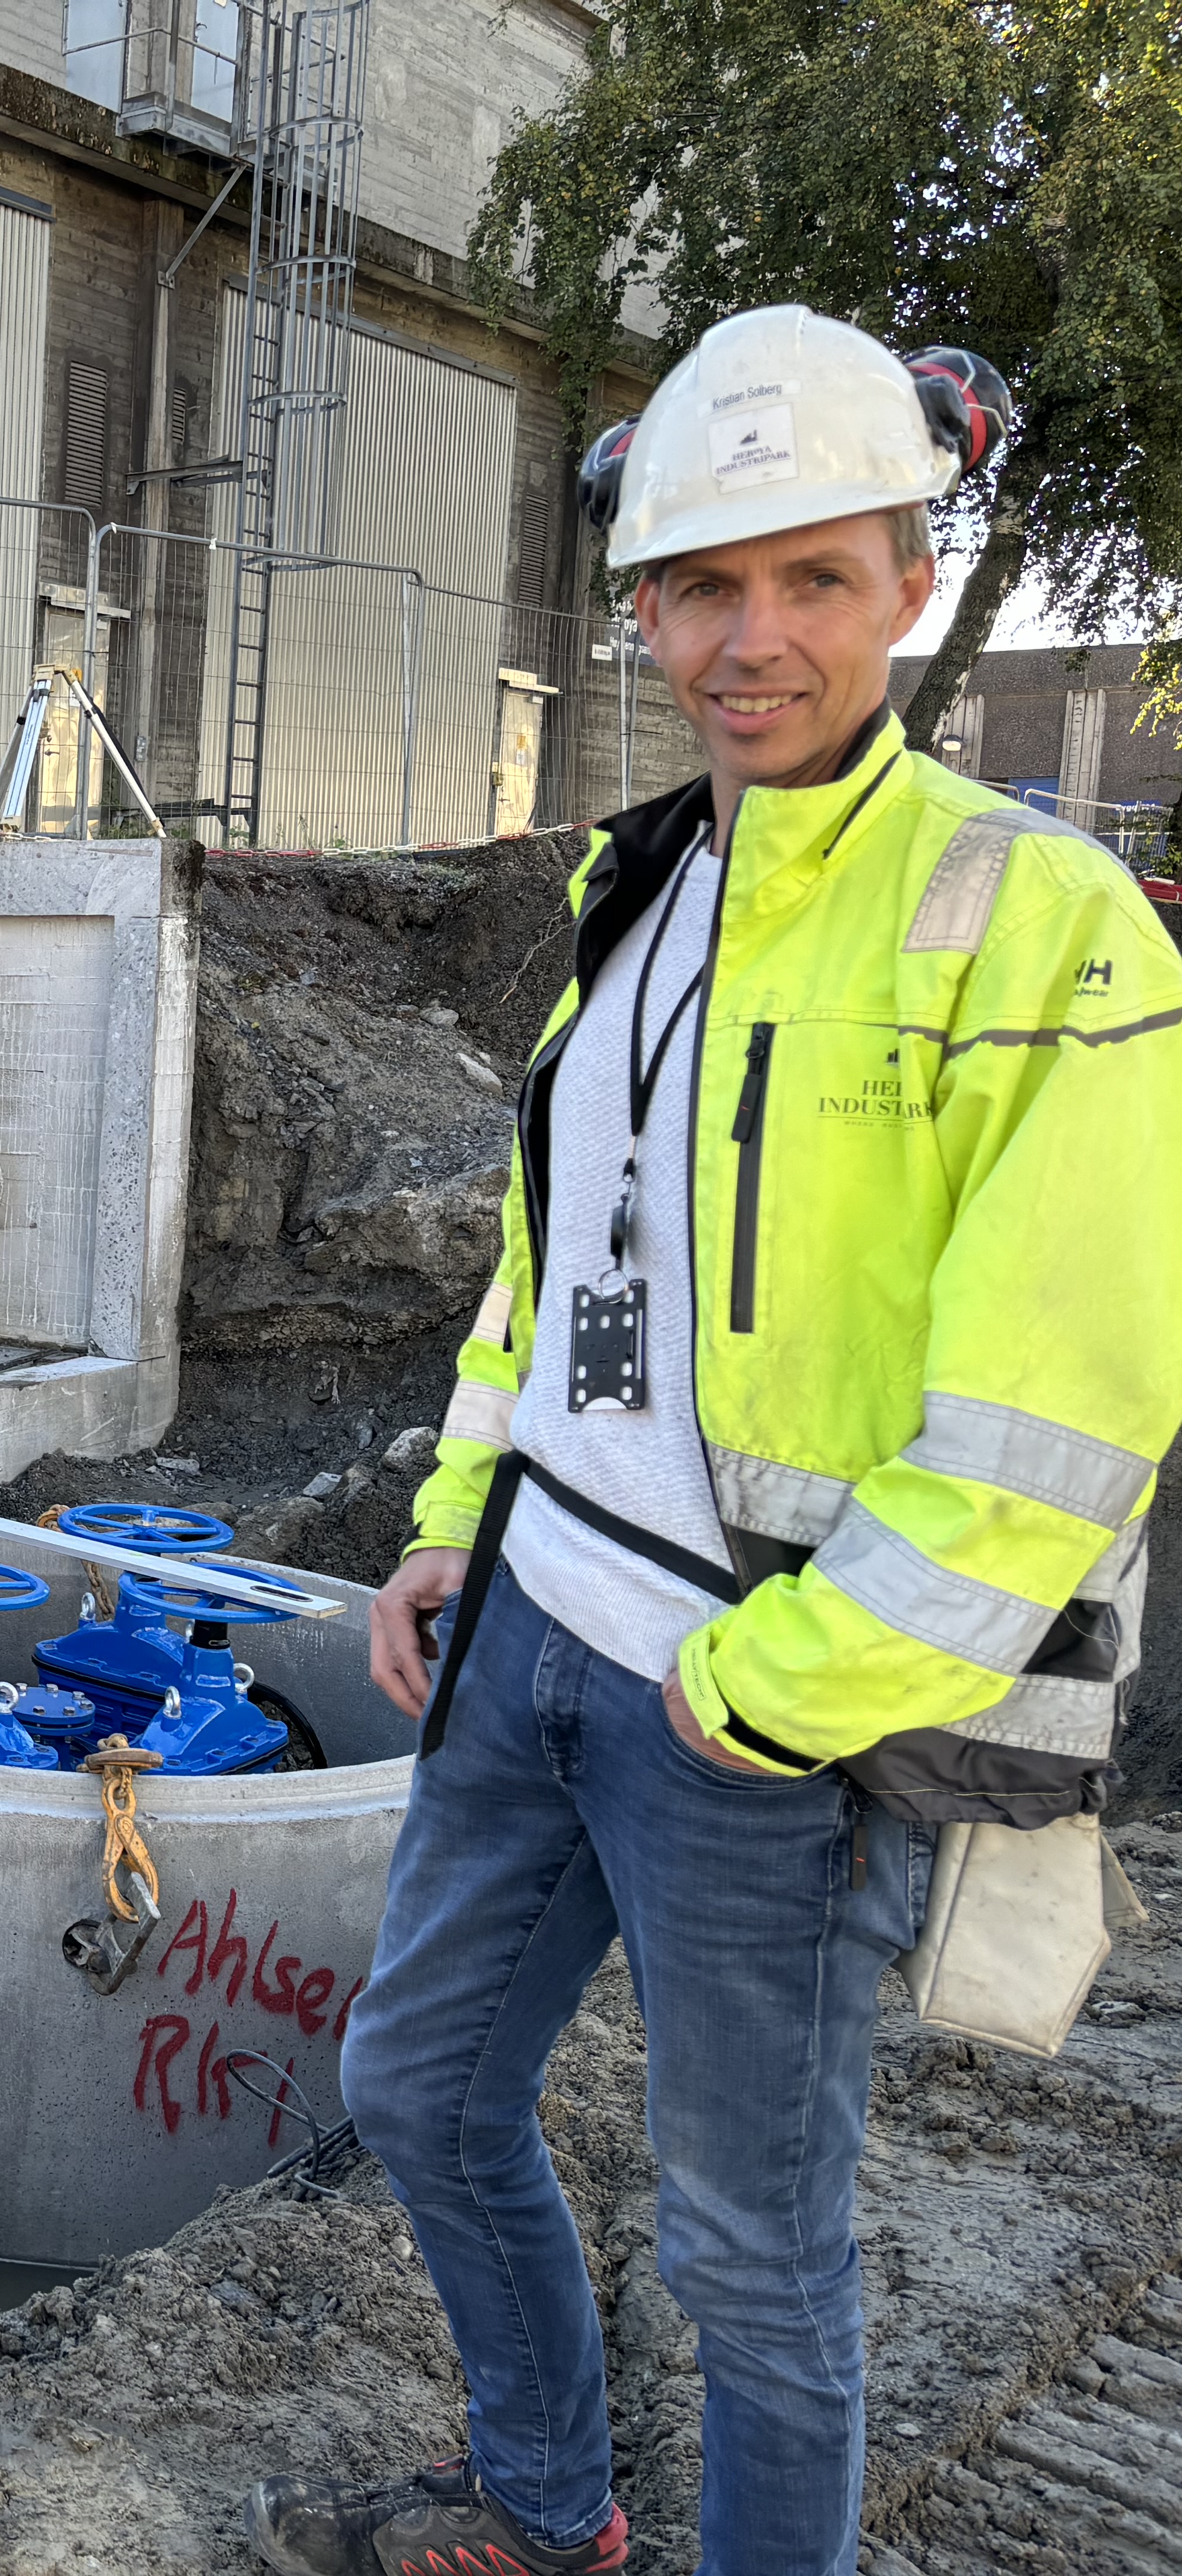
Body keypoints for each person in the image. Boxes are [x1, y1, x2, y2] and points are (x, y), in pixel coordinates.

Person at [244, 305, 1182, 2576]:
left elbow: (1057, 1426)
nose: (750, 639)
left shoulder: (1031, 921)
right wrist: (451, 1525)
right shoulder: (636, 880)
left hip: (755, 1717)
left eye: (813, 578)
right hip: (527, 1643)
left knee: (753, 2258)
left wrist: (774, 1690)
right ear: (641, 604)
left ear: (909, 585)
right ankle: (553, 2505)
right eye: (701, 586)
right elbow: (554, 1269)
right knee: (417, 2084)